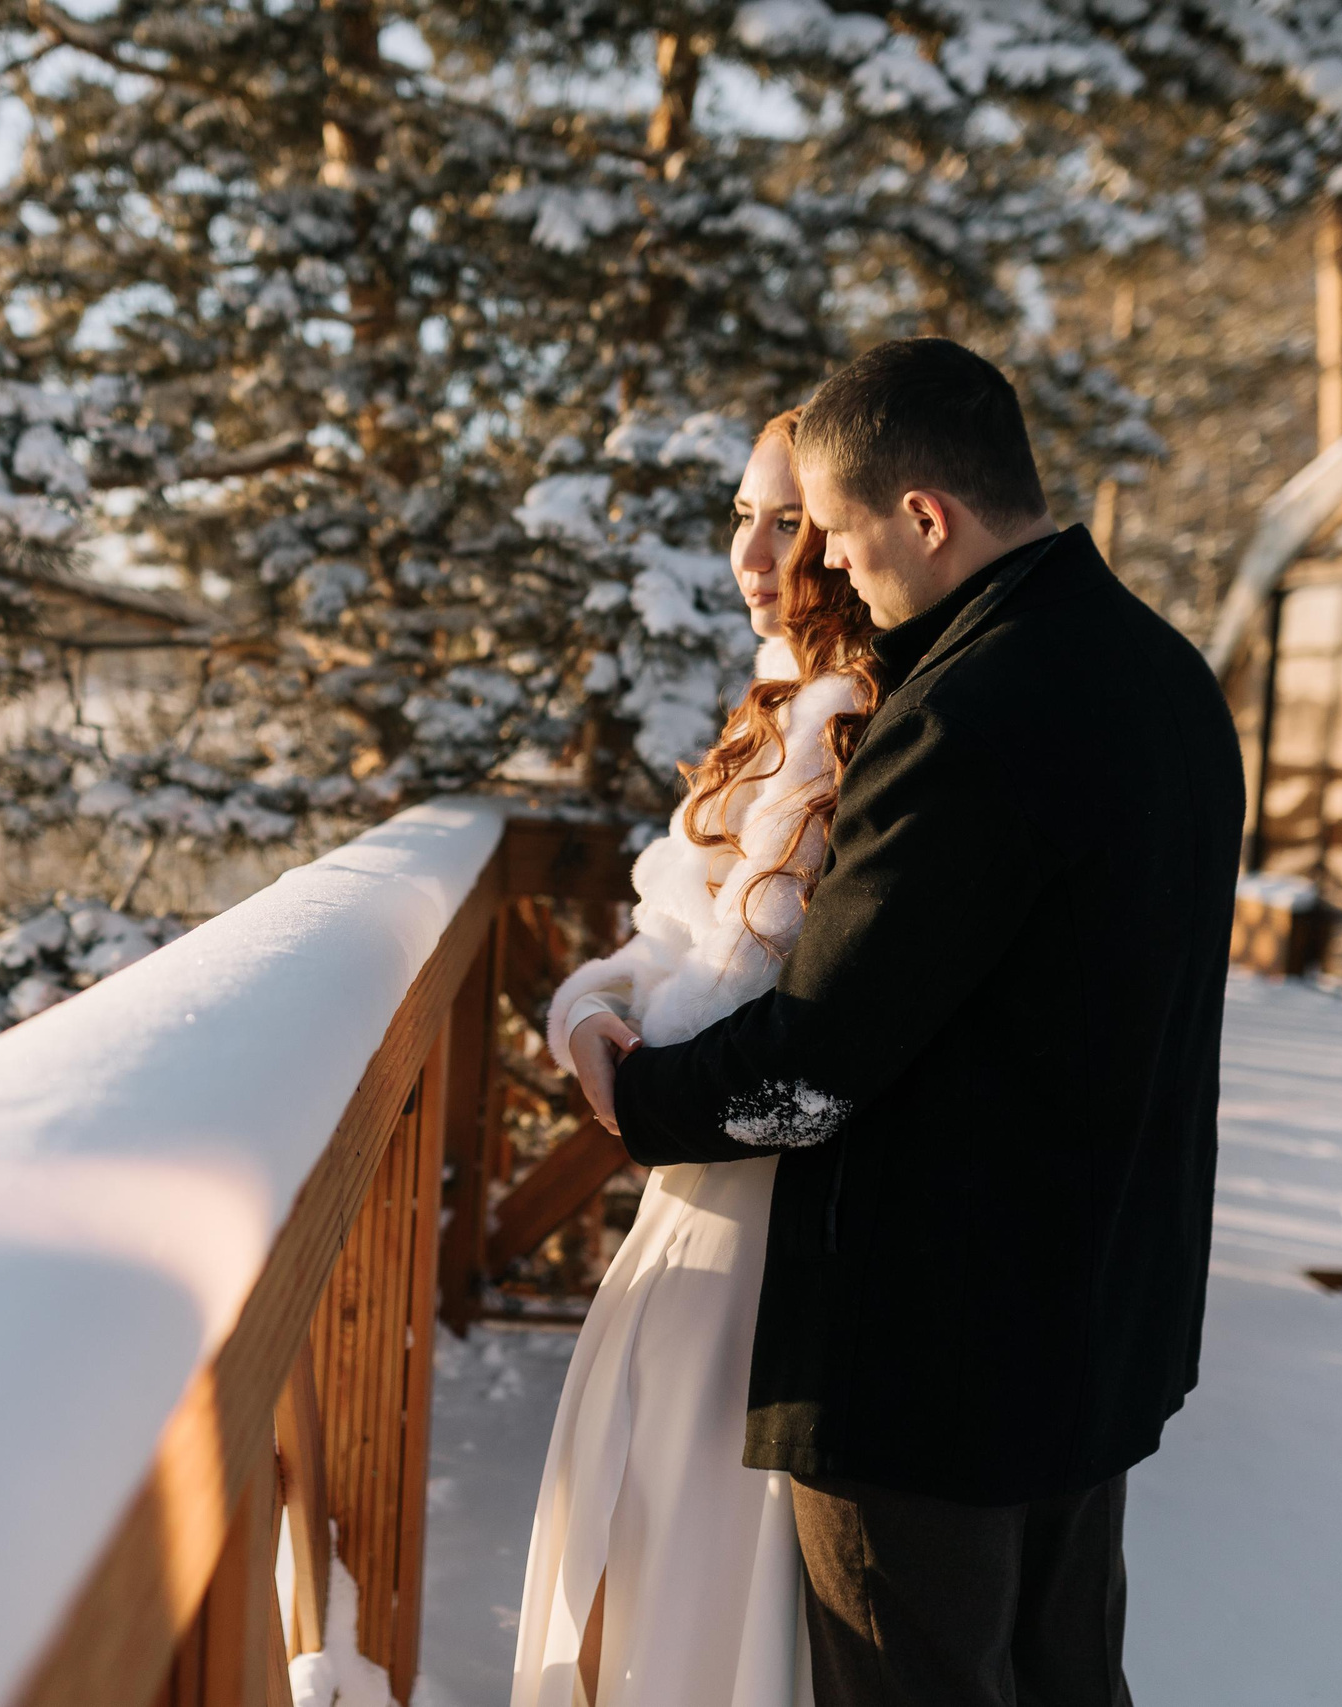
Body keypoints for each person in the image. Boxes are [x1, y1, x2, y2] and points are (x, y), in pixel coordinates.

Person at [575, 338, 1244, 1707]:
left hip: (936, 1354)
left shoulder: (975, 711)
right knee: (1062, 1680)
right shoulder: (1167, 674)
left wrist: (635, 1103)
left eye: (841, 537)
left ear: (927, 515)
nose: (834, 574)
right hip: (1093, 1320)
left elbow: (819, 1065)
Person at [510, 405, 877, 1707]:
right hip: (691, 1167)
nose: (755, 551)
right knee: (638, 1495)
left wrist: (637, 1053)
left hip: (749, 1196)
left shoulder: (845, 712)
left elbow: (745, 969)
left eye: (790, 521)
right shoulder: (776, 693)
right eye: (741, 517)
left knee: (685, 1522)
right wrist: (592, 1008)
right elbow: (672, 922)